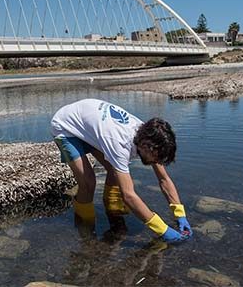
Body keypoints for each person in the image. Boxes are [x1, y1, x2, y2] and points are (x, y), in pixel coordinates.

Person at [50, 99, 192, 244]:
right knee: (88, 182)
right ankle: (85, 227)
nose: (156, 162)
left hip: (90, 124)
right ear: (145, 146)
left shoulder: (149, 135)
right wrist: (163, 229)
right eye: (156, 158)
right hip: (66, 126)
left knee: (114, 170)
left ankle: (113, 211)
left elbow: (164, 179)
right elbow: (128, 196)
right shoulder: (120, 145)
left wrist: (180, 214)